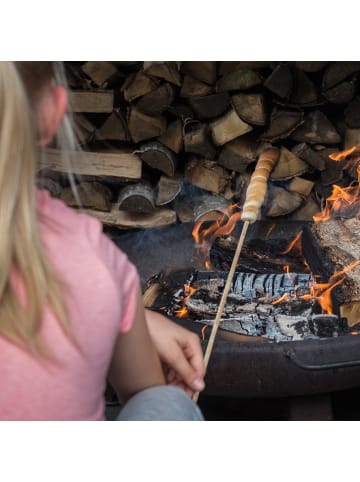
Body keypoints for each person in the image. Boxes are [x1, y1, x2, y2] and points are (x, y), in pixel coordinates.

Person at [0, 61, 205, 420]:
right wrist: (121, 317)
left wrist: (128, 318)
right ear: (52, 113)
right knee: (168, 405)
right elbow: (146, 392)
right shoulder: (93, 261)